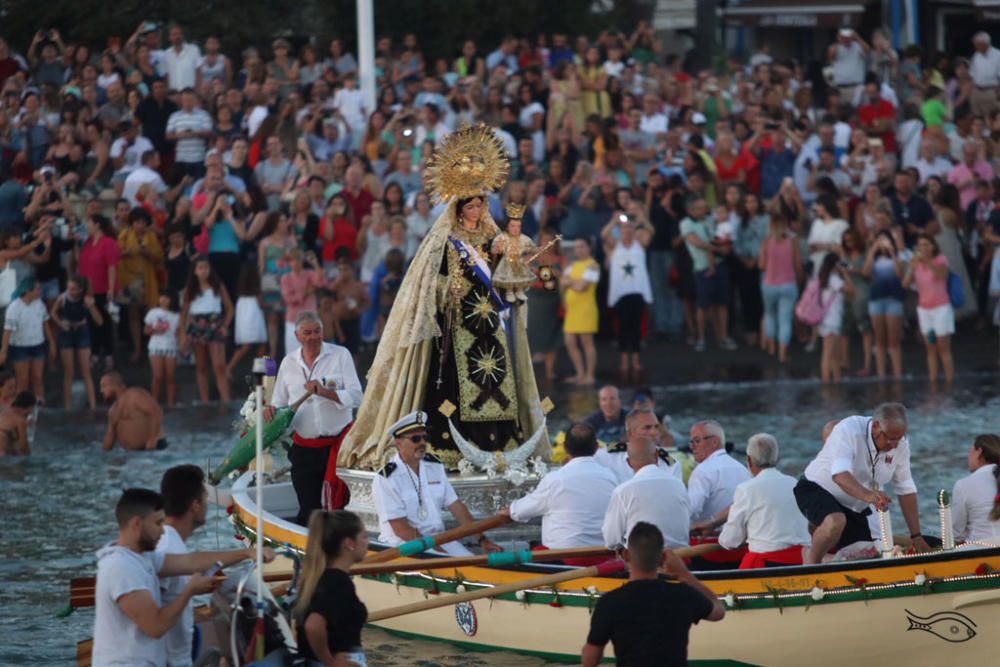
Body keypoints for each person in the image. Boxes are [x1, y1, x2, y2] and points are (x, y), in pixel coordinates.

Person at [339, 126, 547, 470]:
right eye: (472, 205)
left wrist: (516, 255)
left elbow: (505, 264)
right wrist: (447, 291)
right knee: (451, 381)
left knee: (496, 377)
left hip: (489, 323)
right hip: (455, 324)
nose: (477, 210)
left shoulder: (490, 233)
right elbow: (424, 284)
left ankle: (500, 440)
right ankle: (452, 445)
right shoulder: (444, 239)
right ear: (460, 207)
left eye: (482, 204)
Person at [91, 488, 274, 667]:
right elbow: (156, 626)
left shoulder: (142, 557)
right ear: (137, 524)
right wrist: (189, 591)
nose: (163, 532)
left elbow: (191, 561)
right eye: (158, 524)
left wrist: (247, 553)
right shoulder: (121, 568)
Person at [794, 403, 930, 563]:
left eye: (899, 439)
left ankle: (823, 555)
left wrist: (917, 536)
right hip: (816, 487)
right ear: (876, 427)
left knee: (865, 556)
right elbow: (840, 475)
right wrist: (869, 496)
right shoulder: (849, 429)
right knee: (835, 521)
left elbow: (906, 488)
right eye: (891, 439)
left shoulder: (901, 444)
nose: (895, 445)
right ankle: (811, 567)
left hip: (855, 505)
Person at [582, 522, 725, 667]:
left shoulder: (610, 602)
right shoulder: (683, 594)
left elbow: (591, 660)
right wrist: (684, 574)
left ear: (626, 555)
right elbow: (718, 611)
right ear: (663, 557)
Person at [265, 311, 362, 522]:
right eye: (307, 333)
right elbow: (279, 402)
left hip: (338, 447)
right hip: (305, 449)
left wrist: (324, 392)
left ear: (323, 332)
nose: (312, 337)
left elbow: (357, 397)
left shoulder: (340, 355)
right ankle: (310, 551)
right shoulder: (288, 362)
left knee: (341, 509)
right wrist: (270, 410)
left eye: (317, 331)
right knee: (309, 509)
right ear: (297, 336)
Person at [372, 411, 501, 555]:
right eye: (415, 439)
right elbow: (400, 529)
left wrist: (482, 540)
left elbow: (457, 506)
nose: (422, 443)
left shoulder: (435, 466)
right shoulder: (386, 478)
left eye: (425, 437)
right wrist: (435, 552)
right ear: (399, 442)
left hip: (438, 540)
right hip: (403, 545)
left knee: (473, 564)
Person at [502, 423, 617, 554]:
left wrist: (509, 510)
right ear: (597, 447)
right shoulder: (610, 477)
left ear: (565, 448)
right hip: (602, 553)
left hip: (564, 557)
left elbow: (519, 511)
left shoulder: (555, 479)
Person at [718, 433, 811, 569]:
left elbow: (730, 541)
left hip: (768, 564)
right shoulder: (795, 483)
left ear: (749, 460)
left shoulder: (746, 489)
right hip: (800, 560)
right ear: (777, 459)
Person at [294, 511, 369, 667]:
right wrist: (330, 662)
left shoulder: (315, 577)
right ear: (349, 543)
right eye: (364, 536)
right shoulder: (338, 582)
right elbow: (313, 625)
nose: (367, 542)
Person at [155, 465, 211, 667]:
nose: (207, 504)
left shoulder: (169, 541)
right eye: (205, 499)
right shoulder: (168, 547)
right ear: (195, 505)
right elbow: (153, 615)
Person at [602, 435, 690, 550]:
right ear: (657, 456)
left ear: (628, 463)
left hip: (643, 562)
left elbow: (611, 540)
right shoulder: (679, 485)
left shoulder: (623, 491)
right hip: (680, 559)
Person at [178, 257, 234, 403]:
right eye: (200, 268)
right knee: (201, 366)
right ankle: (205, 401)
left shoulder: (217, 286)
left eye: (206, 267)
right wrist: (183, 335)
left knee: (219, 366)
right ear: (195, 271)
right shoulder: (190, 290)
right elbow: (183, 314)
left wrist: (224, 326)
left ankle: (226, 400)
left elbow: (230, 309)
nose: (204, 271)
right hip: (197, 327)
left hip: (215, 325)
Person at [903, 234, 954, 384]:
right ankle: (933, 381)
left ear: (933, 246)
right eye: (921, 245)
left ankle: (949, 381)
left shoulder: (941, 260)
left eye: (926, 244)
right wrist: (911, 268)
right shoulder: (916, 263)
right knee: (930, 347)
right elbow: (905, 284)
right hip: (925, 310)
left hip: (941, 308)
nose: (923, 248)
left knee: (943, 346)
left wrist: (927, 261)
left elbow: (941, 275)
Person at [0, 277, 56, 403]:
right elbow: (7, 331)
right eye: (37, 289)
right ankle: (20, 406)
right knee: (23, 379)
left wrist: (51, 341)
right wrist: (4, 350)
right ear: (28, 291)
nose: (39, 291)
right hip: (20, 347)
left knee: (38, 378)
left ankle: (40, 405)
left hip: (38, 345)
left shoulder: (39, 304)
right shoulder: (14, 307)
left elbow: (45, 323)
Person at [50, 276, 102, 409]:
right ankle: (68, 406)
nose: (70, 291)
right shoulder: (63, 298)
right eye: (69, 288)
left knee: (86, 371)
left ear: (80, 290)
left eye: (73, 289)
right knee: (69, 371)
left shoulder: (86, 299)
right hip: (67, 332)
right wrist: (61, 324)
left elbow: (99, 321)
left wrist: (91, 307)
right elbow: (53, 312)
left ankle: (93, 405)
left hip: (81, 331)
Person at [686, 420, 751, 527]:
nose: (692, 447)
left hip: (706, 538)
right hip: (739, 539)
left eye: (697, 441)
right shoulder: (742, 469)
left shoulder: (702, 471)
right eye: (691, 442)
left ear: (715, 442)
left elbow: (691, 510)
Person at [595, 408, 683, 483]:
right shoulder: (607, 457)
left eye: (656, 427)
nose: (654, 432)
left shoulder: (671, 465)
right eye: (647, 428)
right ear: (630, 433)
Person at [561, 237, 600, 385]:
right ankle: (580, 373)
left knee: (586, 341)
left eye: (582, 246)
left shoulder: (593, 265)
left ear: (589, 248)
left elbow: (581, 287)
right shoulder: (573, 265)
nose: (579, 250)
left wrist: (570, 281)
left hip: (586, 308)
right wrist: (573, 282)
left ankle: (590, 375)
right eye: (577, 247)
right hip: (572, 309)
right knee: (569, 341)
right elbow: (563, 283)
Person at [100, 371, 166, 452]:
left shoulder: (135, 395)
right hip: (133, 454)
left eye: (103, 386)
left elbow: (157, 412)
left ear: (114, 385)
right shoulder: (112, 411)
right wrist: (102, 453)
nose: (101, 390)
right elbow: (110, 435)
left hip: (153, 448)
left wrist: (152, 438)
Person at [952, 434, 1000, 543]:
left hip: (980, 552)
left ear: (978, 452)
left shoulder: (963, 485)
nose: (968, 456)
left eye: (970, 451)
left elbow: (957, 535)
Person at [144, 290, 181, 407]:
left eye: (167, 297)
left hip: (171, 346)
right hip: (155, 346)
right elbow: (146, 330)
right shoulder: (153, 313)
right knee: (157, 377)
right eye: (162, 297)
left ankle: (171, 403)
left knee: (171, 377)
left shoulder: (176, 315)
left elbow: (179, 333)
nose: (163, 300)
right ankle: (153, 403)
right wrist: (155, 330)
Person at [0, 391, 36, 456]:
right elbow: (24, 448)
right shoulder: (21, 420)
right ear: (29, 407)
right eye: (32, 408)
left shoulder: (5, 412)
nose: (31, 412)